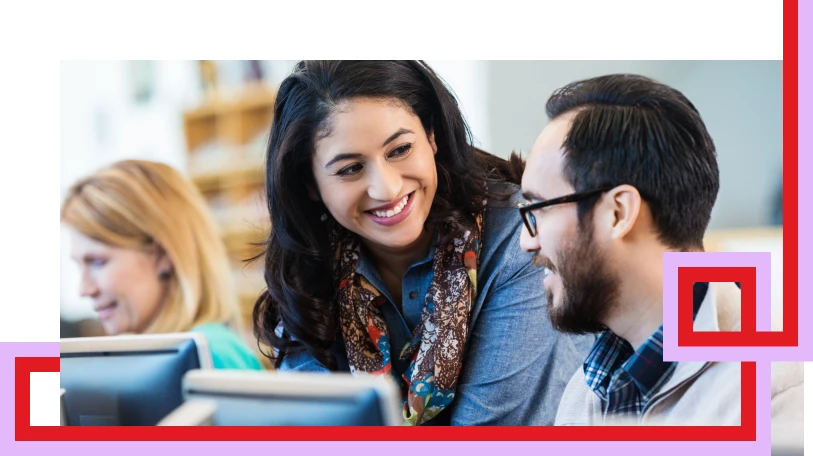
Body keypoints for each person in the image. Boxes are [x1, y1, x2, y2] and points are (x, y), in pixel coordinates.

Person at [252, 60, 593, 426]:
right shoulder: (307, 270)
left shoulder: (519, 237)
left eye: (399, 150)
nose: (387, 188)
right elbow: (314, 433)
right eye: (350, 169)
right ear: (310, 186)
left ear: (432, 136)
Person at [518, 74, 806, 444]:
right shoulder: (587, 391)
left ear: (618, 213)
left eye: (539, 209)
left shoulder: (771, 399)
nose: (527, 242)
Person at [62, 159, 264, 371]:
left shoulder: (208, 354)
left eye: (97, 262)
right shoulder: (164, 355)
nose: (84, 290)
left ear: (163, 256)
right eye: (79, 266)